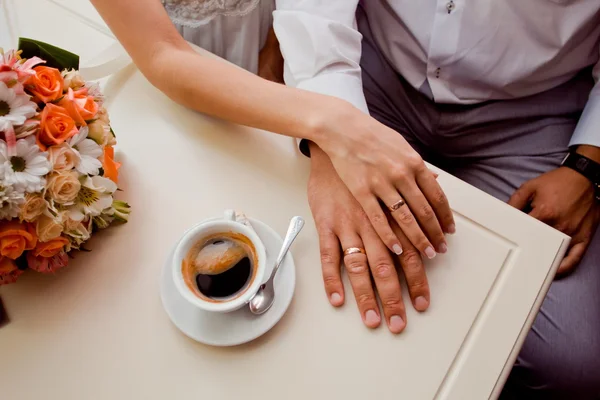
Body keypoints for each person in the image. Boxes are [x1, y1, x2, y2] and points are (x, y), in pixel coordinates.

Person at [274, 1, 600, 398]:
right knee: (306, 267)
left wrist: (590, 163)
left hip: (536, 107)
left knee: (570, 362)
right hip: (366, 70)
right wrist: (333, 135)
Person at [90, 1, 454, 304]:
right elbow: (162, 54)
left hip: (279, 83)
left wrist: (281, 72)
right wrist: (332, 122)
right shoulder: (328, 118)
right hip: (173, 100)